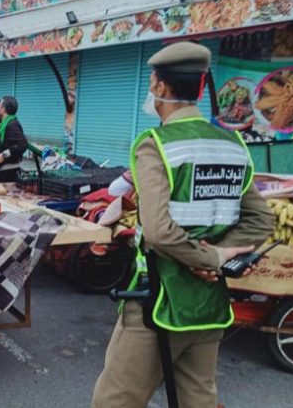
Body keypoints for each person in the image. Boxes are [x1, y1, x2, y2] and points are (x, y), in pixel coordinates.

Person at [91, 42, 274, 408]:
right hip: (209, 305)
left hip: (160, 300)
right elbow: (261, 219)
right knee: (198, 401)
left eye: (152, 82)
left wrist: (209, 258)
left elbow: (157, 231)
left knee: (113, 402)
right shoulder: (232, 143)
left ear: (159, 86)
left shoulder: (155, 144)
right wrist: (219, 257)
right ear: (203, 87)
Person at [0, 96, 28, 182]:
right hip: (3, 169)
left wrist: (3, 155)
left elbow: (22, 144)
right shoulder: (4, 124)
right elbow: (7, 143)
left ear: (3, 109)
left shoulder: (12, 124)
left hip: (8, 171)